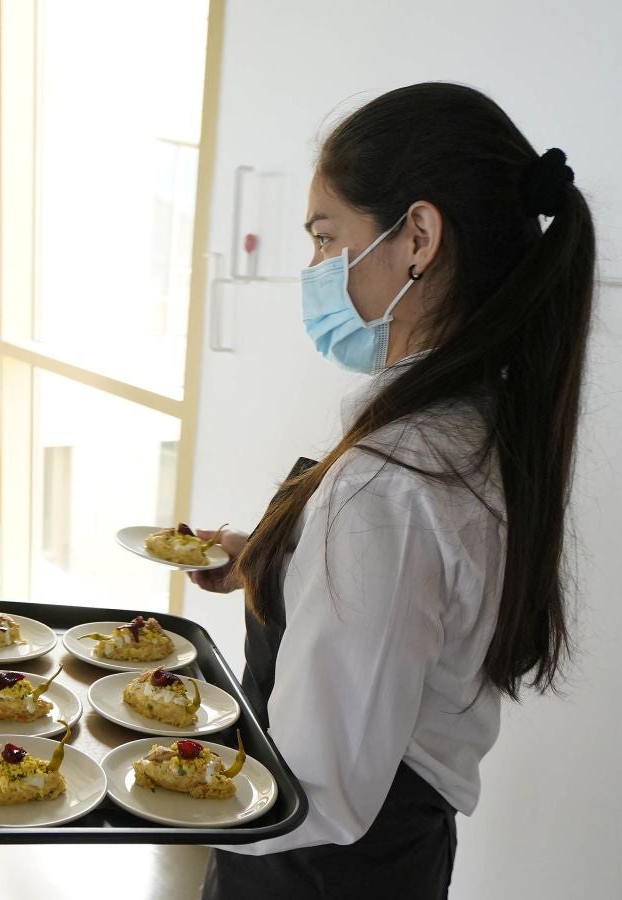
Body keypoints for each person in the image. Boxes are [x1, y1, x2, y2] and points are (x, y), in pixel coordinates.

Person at [192, 82, 594, 898]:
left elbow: (311, 791)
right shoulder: (475, 421)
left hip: (314, 873)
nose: (314, 270)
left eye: (325, 236)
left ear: (417, 237)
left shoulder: (393, 480)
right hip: (393, 859)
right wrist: (273, 559)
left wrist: (112, 781)